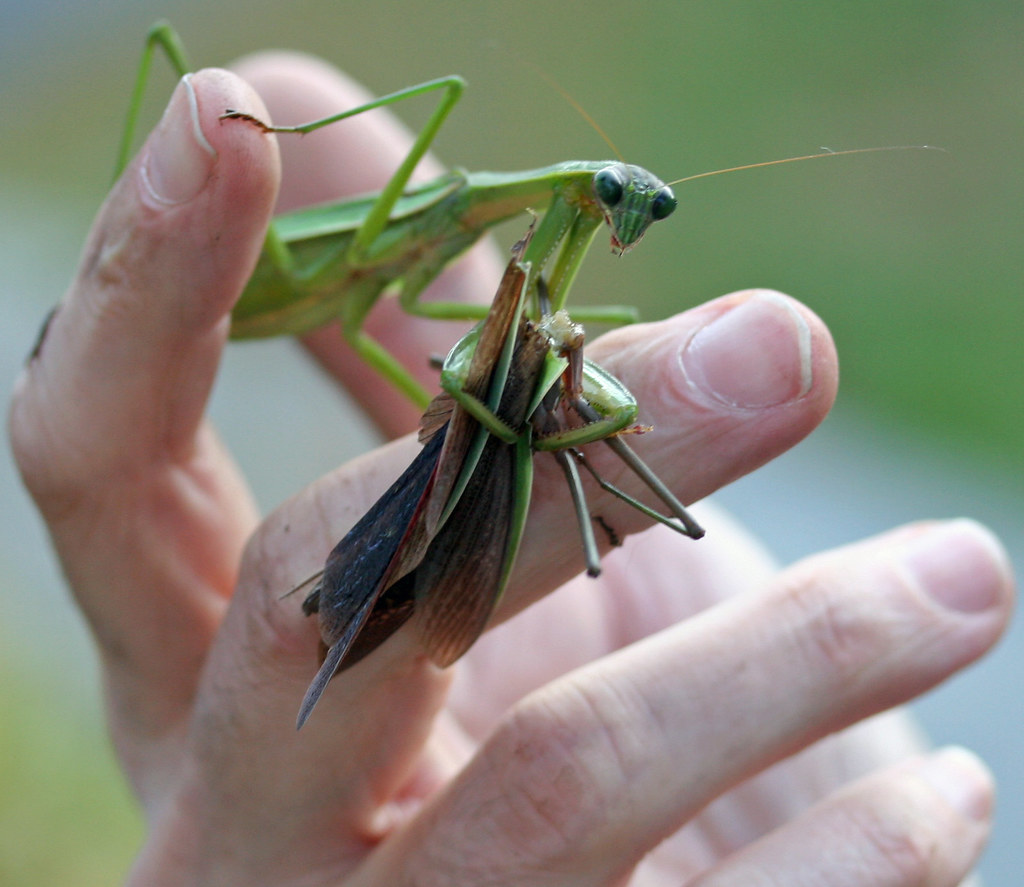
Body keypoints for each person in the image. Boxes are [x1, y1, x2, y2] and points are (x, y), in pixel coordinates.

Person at [8, 53, 1014, 886]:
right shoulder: (459, 212)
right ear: (584, 192)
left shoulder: (527, 259)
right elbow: (430, 331)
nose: (625, 223)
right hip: (289, 273)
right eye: (619, 203)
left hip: (327, 293)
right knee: (185, 57)